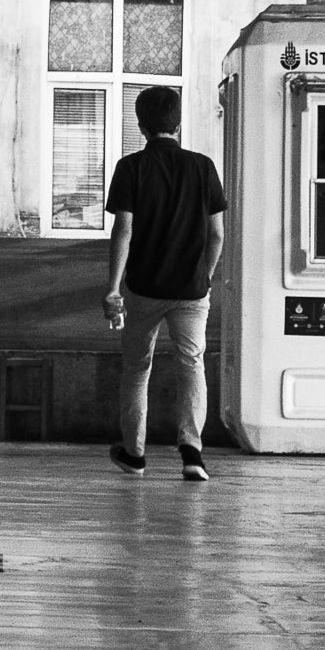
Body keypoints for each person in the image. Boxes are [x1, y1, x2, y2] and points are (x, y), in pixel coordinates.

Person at [102, 85, 226, 482]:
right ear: (178, 122)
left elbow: (124, 228)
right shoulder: (203, 167)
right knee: (191, 365)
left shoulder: (131, 167)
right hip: (191, 290)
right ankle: (192, 453)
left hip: (144, 288)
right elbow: (218, 234)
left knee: (138, 368)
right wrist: (203, 276)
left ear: (140, 125)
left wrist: (113, 287)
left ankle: (135, 455)